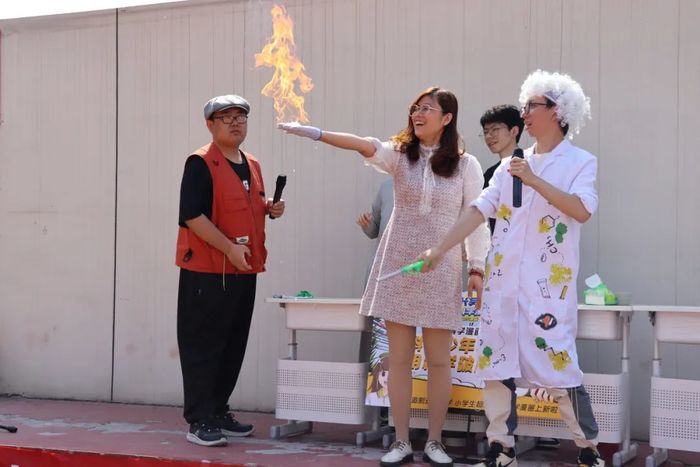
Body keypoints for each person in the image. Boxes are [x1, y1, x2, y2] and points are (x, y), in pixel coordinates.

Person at [279, 87, 490, 467]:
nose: (418, 113)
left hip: (440, 268)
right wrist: (315, 133)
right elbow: (363, 144)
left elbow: (475, 220)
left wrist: (476, 267)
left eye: (428, 109)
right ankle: (402, 440)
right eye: (415, 107)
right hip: (398, 264)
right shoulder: (400, 155)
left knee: (441, 361)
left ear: (447, 119)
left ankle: (436, 442)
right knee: (399, 359)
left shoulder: (466, 165)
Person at [419, 71, 605, 467]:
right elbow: (479, 209)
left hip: (546, 290)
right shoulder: (508, 168)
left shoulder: (579, 162)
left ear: (557, 111)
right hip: (503, 284)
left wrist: (535, 181)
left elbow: (582, 210)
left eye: (533, 106)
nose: (526, 113)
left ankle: (587, 449)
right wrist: (441, 248)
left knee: (558, 366)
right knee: (496, 363)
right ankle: (501, 447)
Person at [175, 94, 286, 446]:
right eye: (226, 117)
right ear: (210, 125)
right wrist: (228, 247)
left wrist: (269, 208)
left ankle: (219, 410)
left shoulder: (251, 163)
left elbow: (243, 203)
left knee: (232, 344)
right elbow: (192, 216)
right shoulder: (200, 163)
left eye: (241, 116)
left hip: (243, 269)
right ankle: (199, 420)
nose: (236, 122)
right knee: (202, 346)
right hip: (208, 272)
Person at [479, 105, 524, 234]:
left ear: (514, 131)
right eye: (486, 132)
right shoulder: (489, 174)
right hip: (499, 249)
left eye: (495, 129)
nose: (488, 136)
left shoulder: (531, 166)